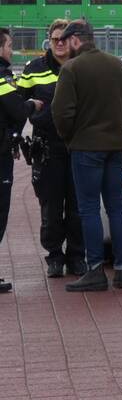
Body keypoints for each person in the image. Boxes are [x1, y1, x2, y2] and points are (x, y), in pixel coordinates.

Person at [52, 21, 122, 292]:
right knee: (115, 206)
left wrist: (71, 138)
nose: (65, 46)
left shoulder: (71, 69)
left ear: (77, 40)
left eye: (67, 41)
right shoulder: (117, 65)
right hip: (116, 146)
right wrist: (115, 124)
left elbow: (61, 113)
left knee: (88, 208)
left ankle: (95, 271)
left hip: (86, 148)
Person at [17, 19, 85, 278]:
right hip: (47, 148)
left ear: (71, 41)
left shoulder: (81, 66)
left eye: (63, 39)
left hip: (78, 146)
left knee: (78, 207)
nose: (59, 43)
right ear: (49, 39)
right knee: (51, 208)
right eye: (55, 39)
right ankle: (54, 256)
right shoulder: (34, 69)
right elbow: (17, 105)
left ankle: (77, 256)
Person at [0, 28, 44, 293]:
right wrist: (33, 105)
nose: (11, 50)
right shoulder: (2, 76)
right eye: (8, 45)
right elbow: (15, 108)